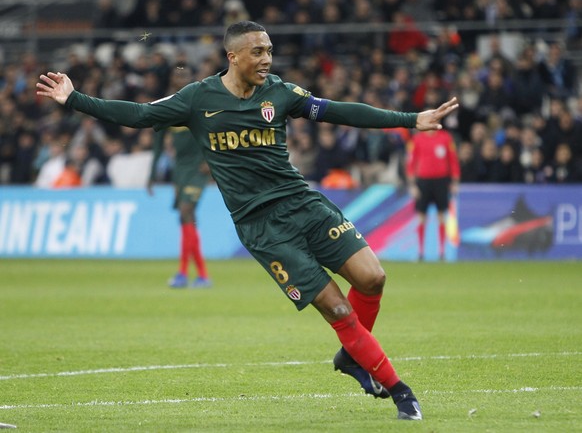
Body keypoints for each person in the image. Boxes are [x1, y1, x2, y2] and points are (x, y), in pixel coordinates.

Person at [37, 21, 458, 421]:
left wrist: (409, 120)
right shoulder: (198, 99)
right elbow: (139, 115)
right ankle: (401, 392)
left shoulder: (280, 93)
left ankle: (353, 354)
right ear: (232, 56)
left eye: (270, 51)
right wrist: (74, 99)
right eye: (258, 51)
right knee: (337, 309)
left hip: (303, 204)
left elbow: (339, 111)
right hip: (262, 228)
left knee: (373, 278)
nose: (267, 59)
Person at [148, 126, 212, 288]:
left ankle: (184, 273)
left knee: (185, 211)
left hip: (198, 170)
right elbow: (158, 145)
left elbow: (214, 128)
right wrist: (152, 175)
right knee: (186, 218)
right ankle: (201, 275)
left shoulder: (196, 105)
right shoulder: (168, 113)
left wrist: (210, 161)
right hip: (180, 170)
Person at [406, 128, 460, 261]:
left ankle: (442, 252)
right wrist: (412, 185)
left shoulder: (445, 137)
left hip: (441, 181)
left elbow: (452, 160)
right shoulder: (417, 139)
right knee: (421, 217)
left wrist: (455, 181)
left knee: (442, 215)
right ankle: (420, 252)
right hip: (423, 181)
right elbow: (411, 162)